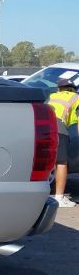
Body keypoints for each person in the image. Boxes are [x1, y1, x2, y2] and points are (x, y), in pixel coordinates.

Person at [47, 78, 79, 207]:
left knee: (48, 161)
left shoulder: (52, 96)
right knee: (61, 162)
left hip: (44, 127)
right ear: (73, 89)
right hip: (59, 128)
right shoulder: (76, 98)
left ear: (59, 88)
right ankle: (59, 197)